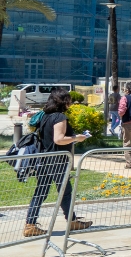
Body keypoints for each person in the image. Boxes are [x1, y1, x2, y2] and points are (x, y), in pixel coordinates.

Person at [21, 90, 91, 237]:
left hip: (44, 158)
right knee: (65, 192)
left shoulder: (45, 116)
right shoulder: (59, 117)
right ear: (63, 102)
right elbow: (58, 139)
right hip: (57, 160)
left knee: (41, 192)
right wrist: (77, 138)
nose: (71, 103)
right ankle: (72, 221)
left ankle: (30, 224)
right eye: (69, 100)